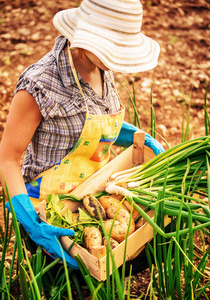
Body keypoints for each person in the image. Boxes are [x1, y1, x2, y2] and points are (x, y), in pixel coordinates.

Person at [0, 0, 164, 270]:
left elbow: (89, 127)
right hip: (48, 210)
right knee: (66, 280)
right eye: (114, 48)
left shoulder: (101, 67)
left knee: (129, 260)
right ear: (87, 37)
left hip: (91, 197)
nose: (117, 61)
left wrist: (138, 137)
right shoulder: (39, 84)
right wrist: (32, 221)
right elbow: (7, 158)